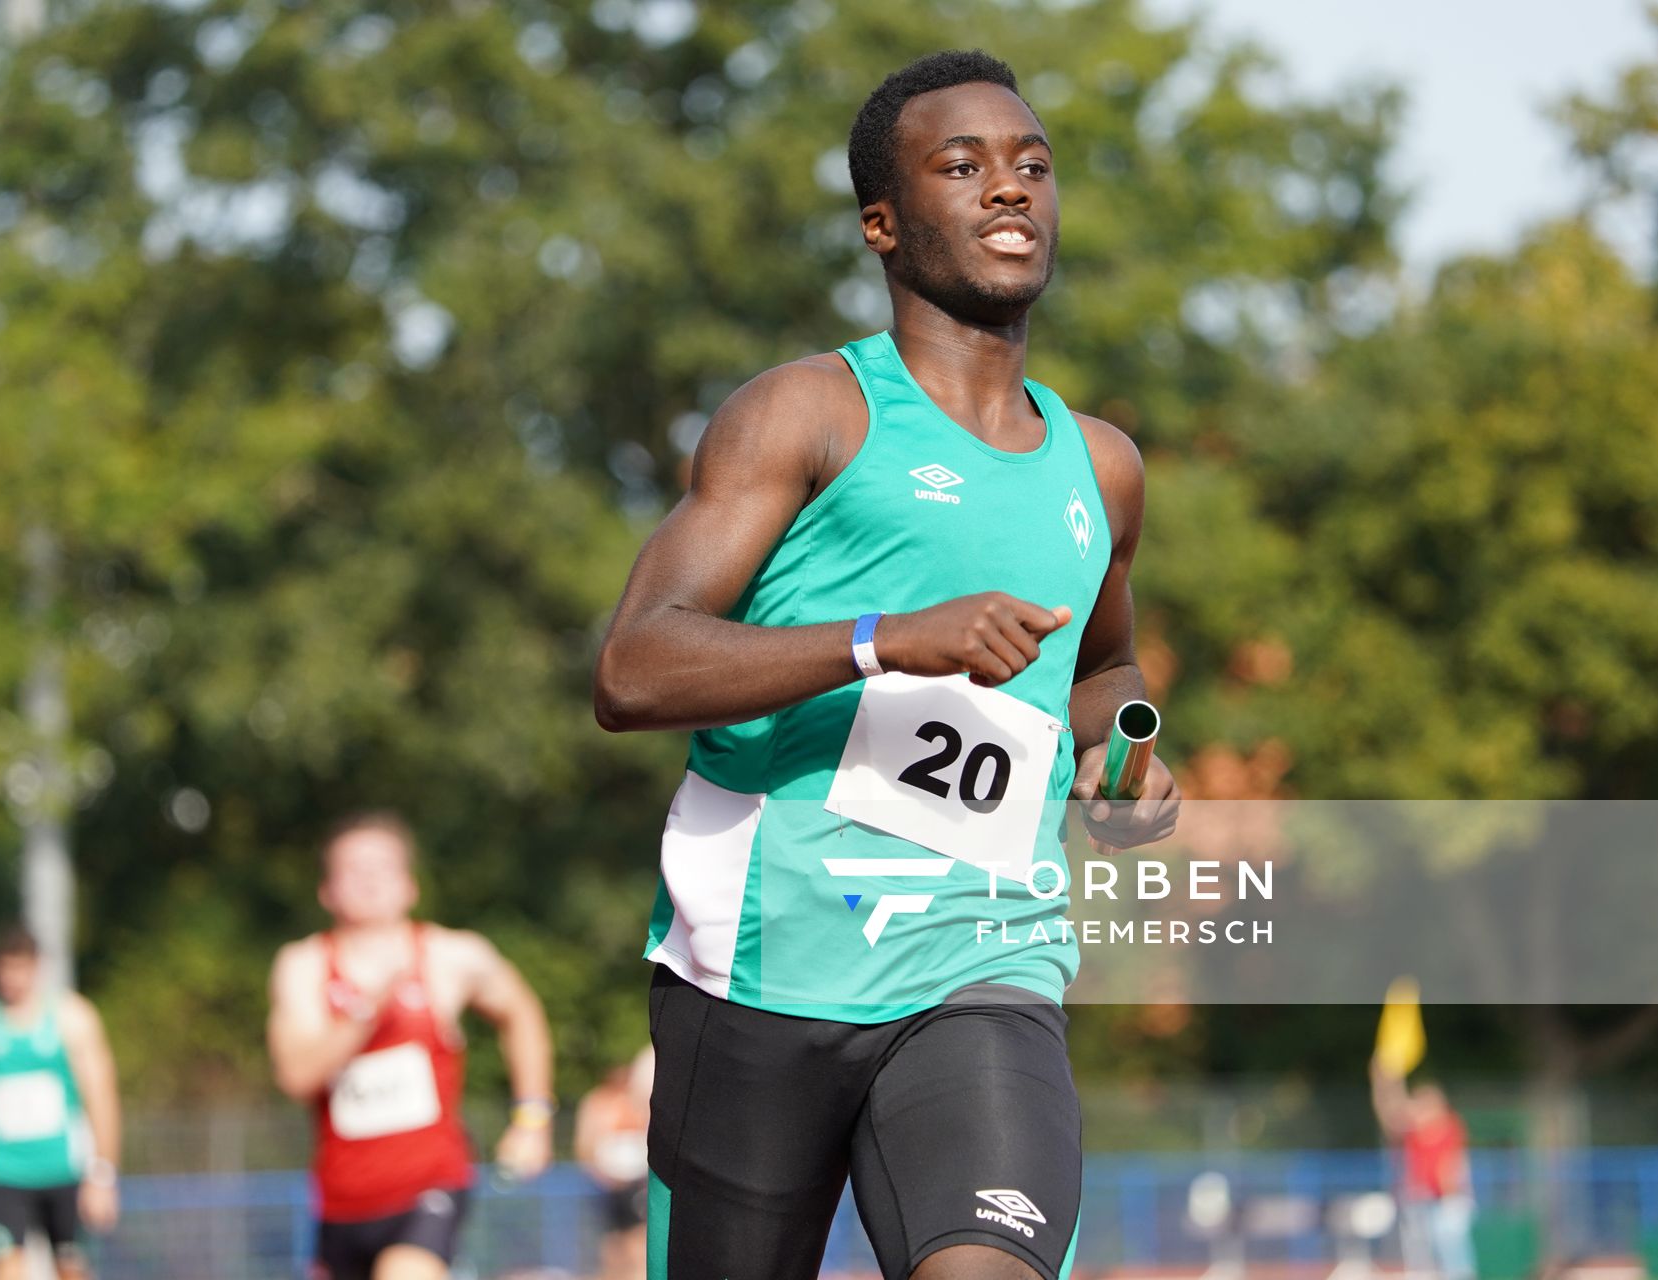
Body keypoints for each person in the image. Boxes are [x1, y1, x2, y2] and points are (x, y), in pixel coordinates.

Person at [593, 48, 1180, 1280]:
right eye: (960, 167)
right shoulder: (804, 415)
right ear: (883, 224)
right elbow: (635, 668)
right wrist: (880, 642)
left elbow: (1102, 671)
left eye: (1031, 165)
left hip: (988, 954)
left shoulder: (1102, 467)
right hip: (764, 966)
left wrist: (1122, 755)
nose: (1009, 189)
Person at [267, 811, 556, 1280]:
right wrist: (364, 1012)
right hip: (341, 1203)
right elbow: (296, 1077)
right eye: (353, 869)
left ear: (409, 886)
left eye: (382, 867)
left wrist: (532, 1116)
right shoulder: (302, 966)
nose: (369, 881)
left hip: (429, 1187)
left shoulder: (450, 956)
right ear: (327, 890)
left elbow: (521, 1012)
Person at [0, 924, 122, 1280]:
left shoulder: (72, 1018)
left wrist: (102, 1175)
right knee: (4, 1270)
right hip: (4, 1172)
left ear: (36, 967)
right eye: (5, 968)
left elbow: (102, 1096)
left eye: (21, 968)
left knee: (71, 1269)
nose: (13, 978)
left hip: (64, 1170)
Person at [1371, 1061, 1475, 1280]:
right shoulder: (1414, 1131)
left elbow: (1450, 1168)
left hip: (1445, 1200)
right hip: (1419, 1200)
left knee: (1452, 1256)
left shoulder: (1449, 1126)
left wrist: (1450, 1197)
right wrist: (1386, 1082)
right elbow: (1391, 1112)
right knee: (1421, 1260)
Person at [573, 1046, 655, 1280]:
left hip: (636, 1180)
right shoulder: (597, 1103)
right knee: (614, 1246)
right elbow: (586, 1144)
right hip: (608, 1182)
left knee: (638, 1243)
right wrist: (599, 1172)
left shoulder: (634, 1101)